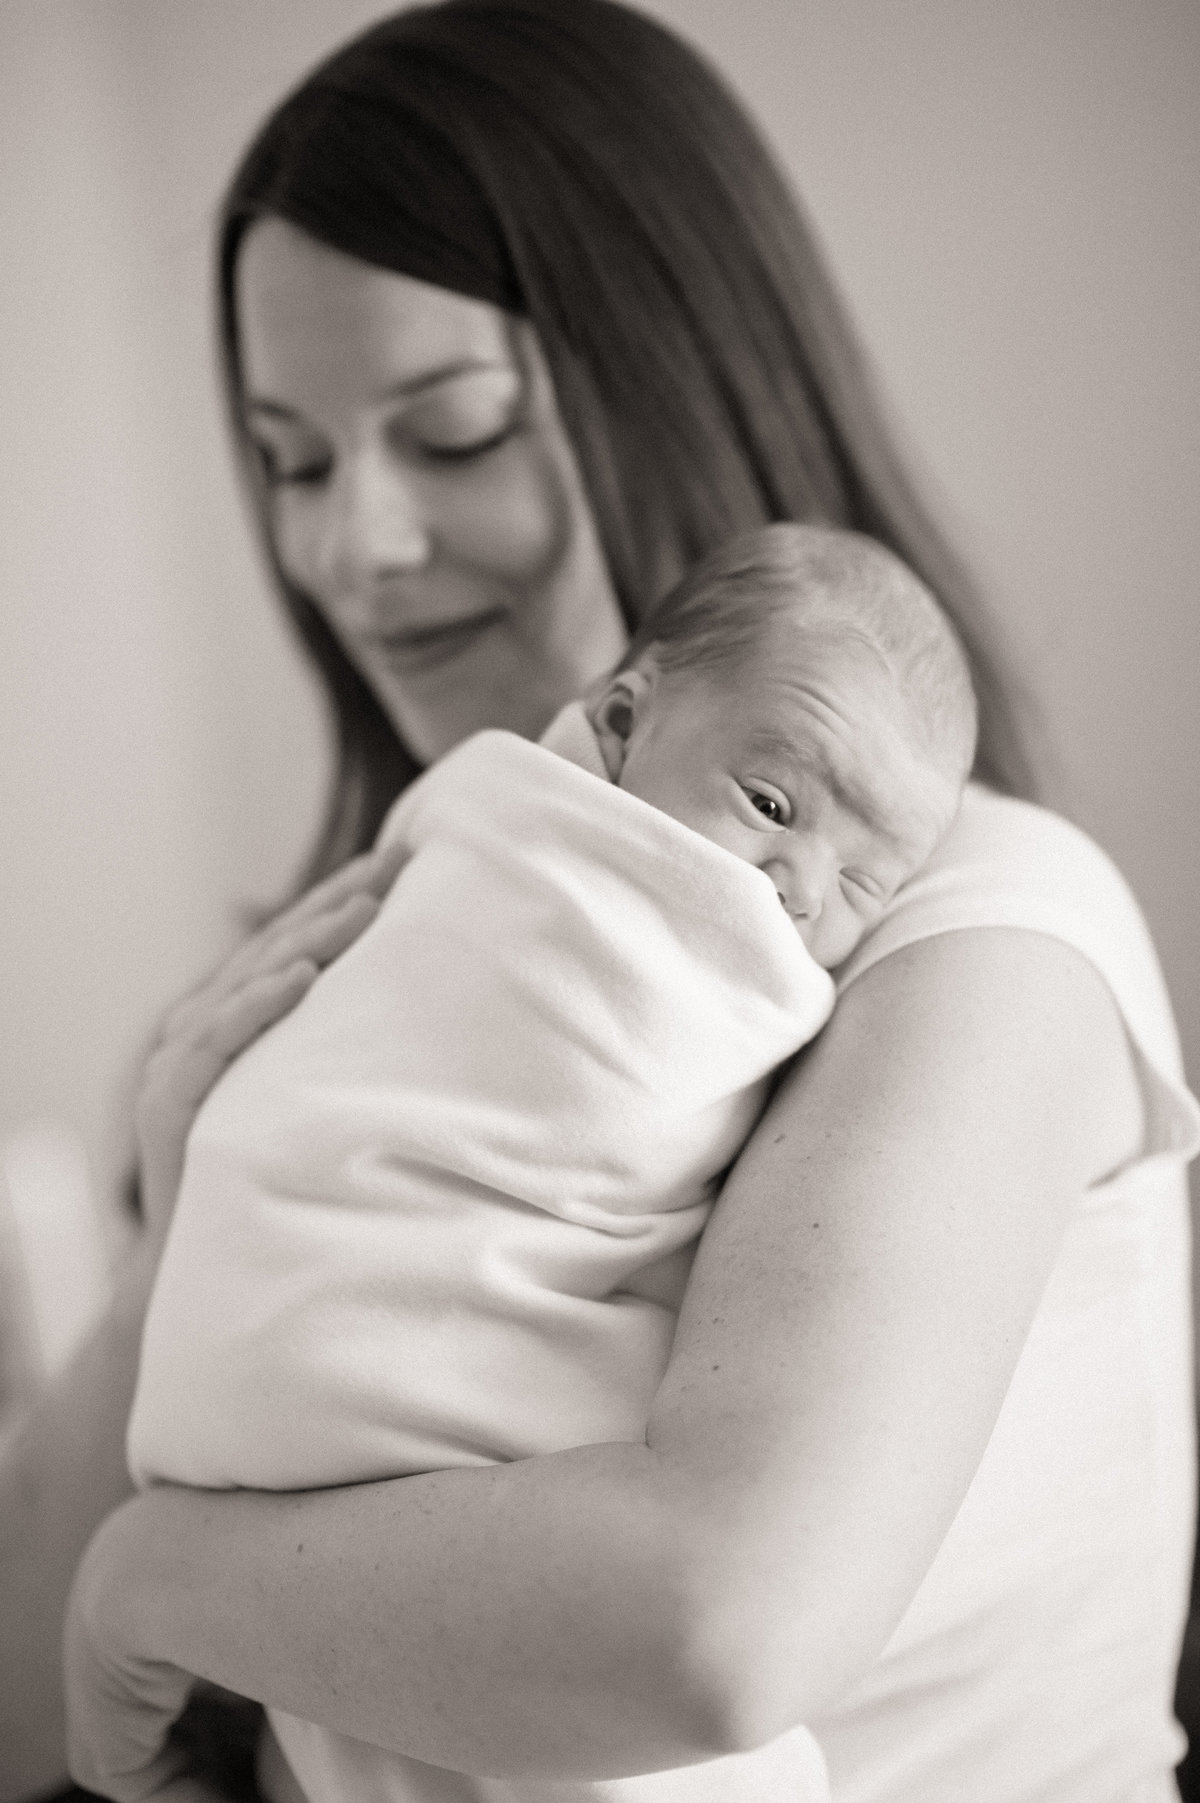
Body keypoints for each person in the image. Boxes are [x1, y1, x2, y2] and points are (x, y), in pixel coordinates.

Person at [1, 3, 1196, 1801]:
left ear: (672, 375)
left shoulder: (983, 933)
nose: (351, 550)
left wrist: (148, 1588)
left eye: (456, 432)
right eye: (293, 461)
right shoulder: (350, 979)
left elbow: (713, 1627)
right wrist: (189, 1226)